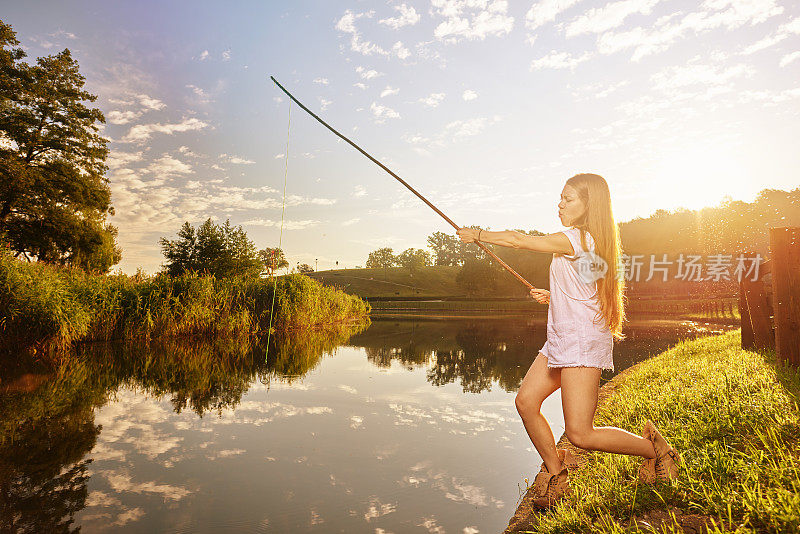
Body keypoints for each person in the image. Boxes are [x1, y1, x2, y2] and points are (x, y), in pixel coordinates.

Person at [456, 173, 680, 508]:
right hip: (562, 337)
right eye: (560, 198)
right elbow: (591, 286)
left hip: (581, 341)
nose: (559, 204)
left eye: (568, 199)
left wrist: (476, 235)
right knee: (526, 402)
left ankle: (658, 450)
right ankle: (557, 474)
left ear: (590, 206)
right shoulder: (588, 242)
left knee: (580, 434)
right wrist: (554, 294)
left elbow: (518, 240)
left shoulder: (575, 238)